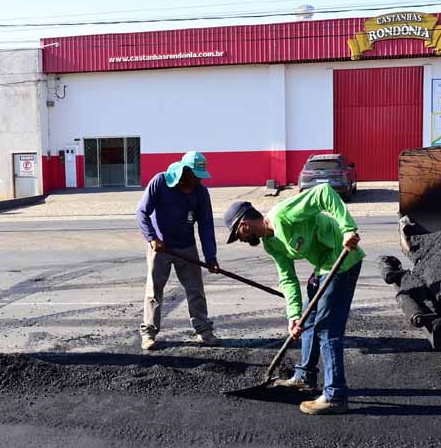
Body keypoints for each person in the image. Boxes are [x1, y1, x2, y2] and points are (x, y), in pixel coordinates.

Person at [224, 183, 364, 415]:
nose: (239, 239)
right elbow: (287, 278)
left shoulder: (283, 214)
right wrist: (293, 315)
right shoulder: (270, 244)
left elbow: (324, 193)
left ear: (244, 224)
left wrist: (348, 229)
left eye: (236, 234)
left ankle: (335, 395)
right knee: (307, 321)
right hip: (323, 266)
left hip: (343, 258)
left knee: (328, 329)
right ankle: (304, 377)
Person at [136, 151, 221, 350]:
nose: (199, 179)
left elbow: (206, 226)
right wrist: (152, 238)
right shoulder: (160, 182)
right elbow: (142, 212)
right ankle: (148, 333)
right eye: (196, 175)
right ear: (185, 171)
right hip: (160, 248)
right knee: (154, 291)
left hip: (187, 247)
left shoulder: (201, 192)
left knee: (196, 291)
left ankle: (204, 331)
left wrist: (211, 256)